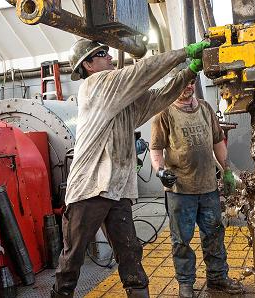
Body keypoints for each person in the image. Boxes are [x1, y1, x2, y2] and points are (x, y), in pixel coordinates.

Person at [52, 38, 210, 298]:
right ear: (89, 65)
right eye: (103, 54)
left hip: (118, 190)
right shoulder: (97, 85)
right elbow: (142, 72)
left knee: (130, 253)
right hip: (89, 189)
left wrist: (189, 72)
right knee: (72, 259)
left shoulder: (120, 99)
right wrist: (184, 53)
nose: (111, 57)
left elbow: (159, 98)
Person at [149, 78, 244, 297]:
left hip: (208, 187)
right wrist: (160, 171)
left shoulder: (205, 108)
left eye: (191, 82)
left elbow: (217, 141)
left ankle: (217, 278)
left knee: (214, 234)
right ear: (172, 85)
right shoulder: (164, 113)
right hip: (180, 191)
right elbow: (156, 148)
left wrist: (227, 169)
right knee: (181, 240)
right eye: (182, 82)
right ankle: (185, 284)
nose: (188, 86)